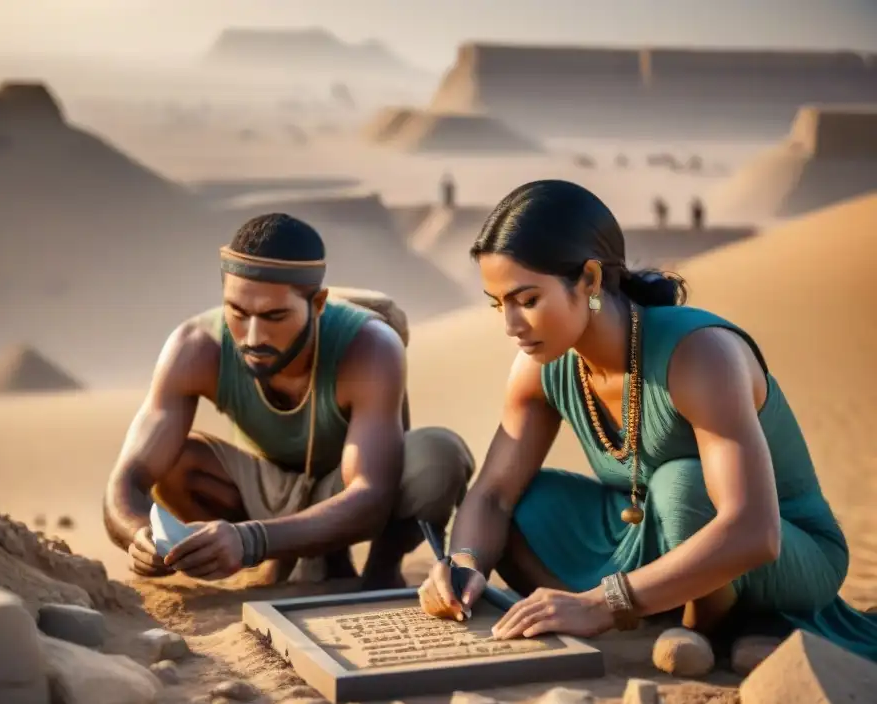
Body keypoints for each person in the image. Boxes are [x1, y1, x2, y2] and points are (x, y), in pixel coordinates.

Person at [418, 179, 877, 662]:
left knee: (682, 485)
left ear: (591, 282)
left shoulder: (700, 356)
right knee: (526, 506)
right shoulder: (541, 366)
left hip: (786, 550)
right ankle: (672, 614)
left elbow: (753, 531)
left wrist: (603, 603)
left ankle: (712, 629)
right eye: (498, 304)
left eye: (527, 301)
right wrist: (464, 563)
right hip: (645, 529)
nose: (510, 326)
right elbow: (492, 494)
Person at [104, 212, 474, 590]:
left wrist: (251, 540)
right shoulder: (195, 348)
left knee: (438, 456)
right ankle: (277, 563)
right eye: (237, 311)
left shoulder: (370, 347)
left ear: (318, 304)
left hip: (342, 490)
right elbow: (127, 479)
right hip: (264, 491)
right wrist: (138, 534)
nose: (251, 337)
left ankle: (380, 572)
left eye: (274, 315)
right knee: (171, 462)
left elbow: (370, 495)